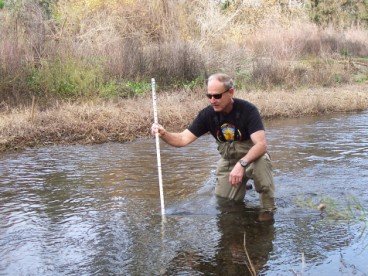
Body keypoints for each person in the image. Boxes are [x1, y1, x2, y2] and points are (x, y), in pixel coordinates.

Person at [151, 73, 276, 222]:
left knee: (262, 162)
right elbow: (183, 139)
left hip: (252, 159)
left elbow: (261, 145)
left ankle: (267, 211)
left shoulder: (248, 110)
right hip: (228, 161)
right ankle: (242, 189)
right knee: (225, 205)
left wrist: (242, 164)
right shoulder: (207, 115)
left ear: (231, 92)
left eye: (217, 96)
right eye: (209, 96)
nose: (212, 100)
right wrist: (164, 134)